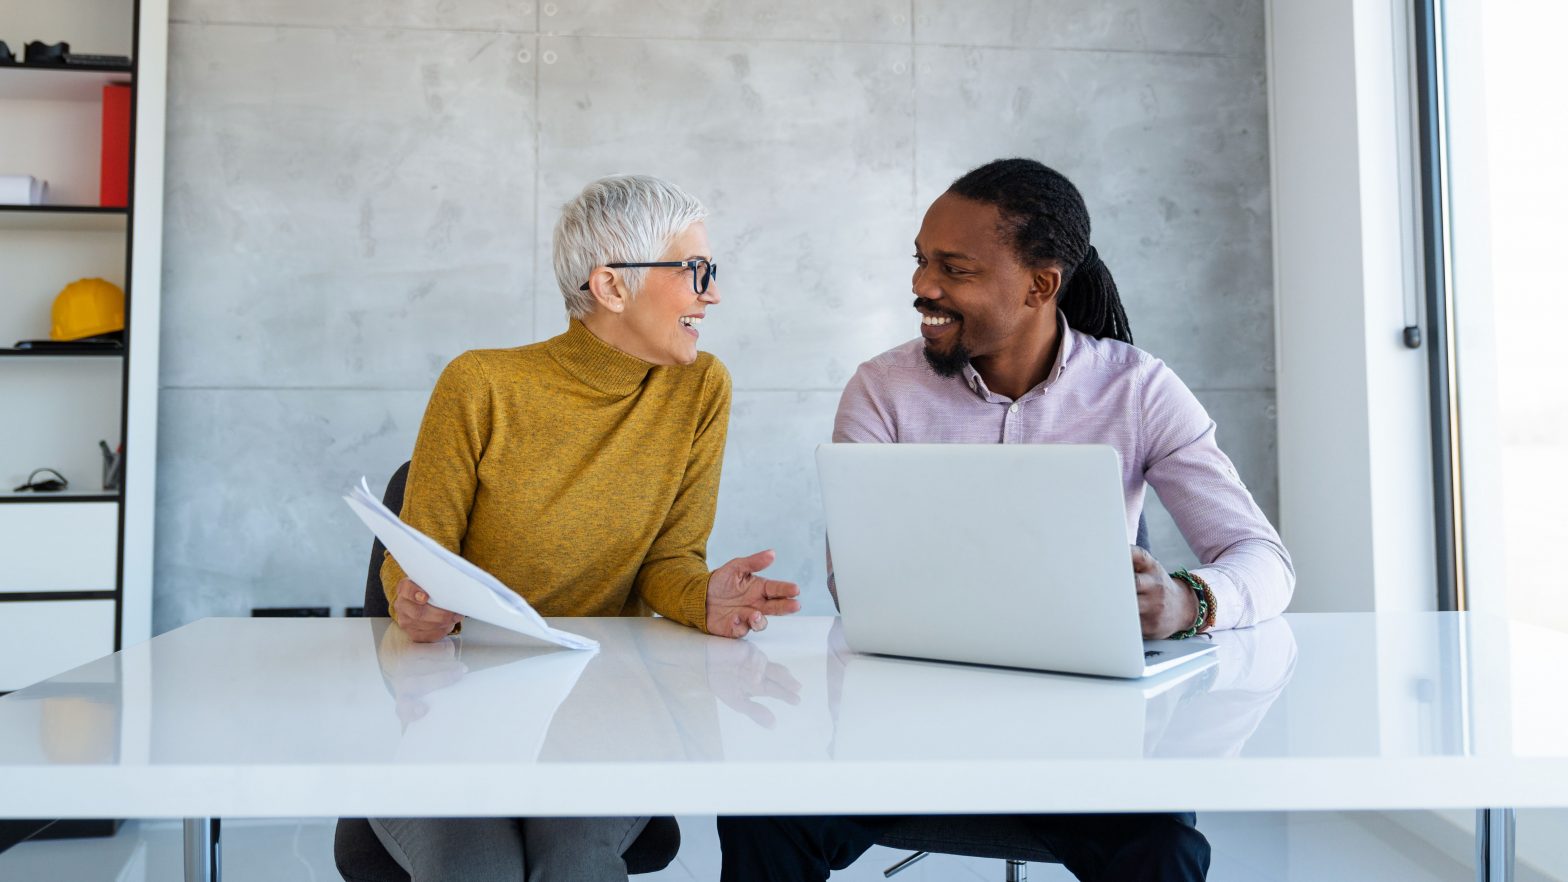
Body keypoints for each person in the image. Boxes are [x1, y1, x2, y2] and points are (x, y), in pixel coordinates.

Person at [717, 158, 1295, 881]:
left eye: (953, 269)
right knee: (757, 805)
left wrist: (1188, 599)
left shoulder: (1139, 389)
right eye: (922, 261)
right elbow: (855, 584)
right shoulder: (881, 389)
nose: (922, 286)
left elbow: (1262, 560)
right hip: (901, 726)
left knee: (1164, 850)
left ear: (1040, 284)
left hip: (1086, 740)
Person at [373, 174, 801, 882]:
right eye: (694, 271)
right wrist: (415, 603)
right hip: (455, 698)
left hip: (604, 699)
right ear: (611, 286)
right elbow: (417, 559)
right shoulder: (480, 383)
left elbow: (670, 559)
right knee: (475, 869)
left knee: (574, 860)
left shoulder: (699, 388)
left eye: (711, 272)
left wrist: (701, 597)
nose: (712, 294)